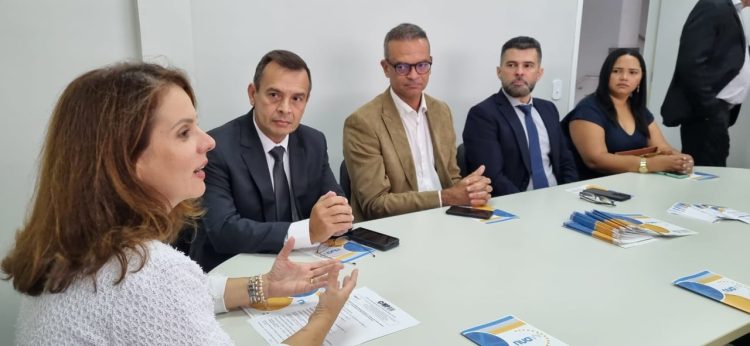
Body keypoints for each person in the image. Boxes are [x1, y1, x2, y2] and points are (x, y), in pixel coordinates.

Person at [1, 63, 358, 345]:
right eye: (184, 132)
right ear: (126, 158)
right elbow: (168, 288)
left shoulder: (80, 248)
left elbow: (197, 292)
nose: (208, 142)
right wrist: (325, 315)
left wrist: (267, 285)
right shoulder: (146, 273)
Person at [191, 50, 353, 271]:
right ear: (252, 93)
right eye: (274, 95)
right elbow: (223, 231)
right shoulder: (217, 147)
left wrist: (337, 216)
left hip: (300, 263)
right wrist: (308, 231)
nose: (285, 108)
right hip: (234, 269)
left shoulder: (313, 141)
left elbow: (335, 202)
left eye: (297, 98)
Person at [343, 23, 492, 221]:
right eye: (402, 67)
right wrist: (445, 197)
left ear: (430, 64)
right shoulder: (362, 122)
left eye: (422, 65)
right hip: (397, 227)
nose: (414, 75)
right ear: (386, 68)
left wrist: (471, 189)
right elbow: (375, 204)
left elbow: (451, 178)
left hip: (448, 218)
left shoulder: (441, 111)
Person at [463, 36, 578, 196]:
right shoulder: (483, 115)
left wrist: (567, 195)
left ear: (539, 73)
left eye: (528, 66)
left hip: (556, 198)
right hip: (517, 204)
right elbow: (492, 178)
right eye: (511, 65)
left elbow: (566, 162)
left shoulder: (548, 109)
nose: (519, 72)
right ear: (499, 72)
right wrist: (527, 205)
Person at [562, 48, 693, 179]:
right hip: (592, 187)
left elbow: (662, 147)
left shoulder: (639, 109)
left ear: (641, 78)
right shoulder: (587, 110)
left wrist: (680, 159)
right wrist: (647, 164)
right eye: (616, 71)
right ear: (605, 74)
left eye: (633, 72)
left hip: (632, 182)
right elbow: (596, 160)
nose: (624, 77)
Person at [661, 0, 750, 167]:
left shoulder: (733, 11)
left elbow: (730, 57)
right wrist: (710, 107)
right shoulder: (713, 5)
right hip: (706, 112)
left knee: (713, 173)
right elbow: (691, 63)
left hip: (719, 112)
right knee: (707, 176)